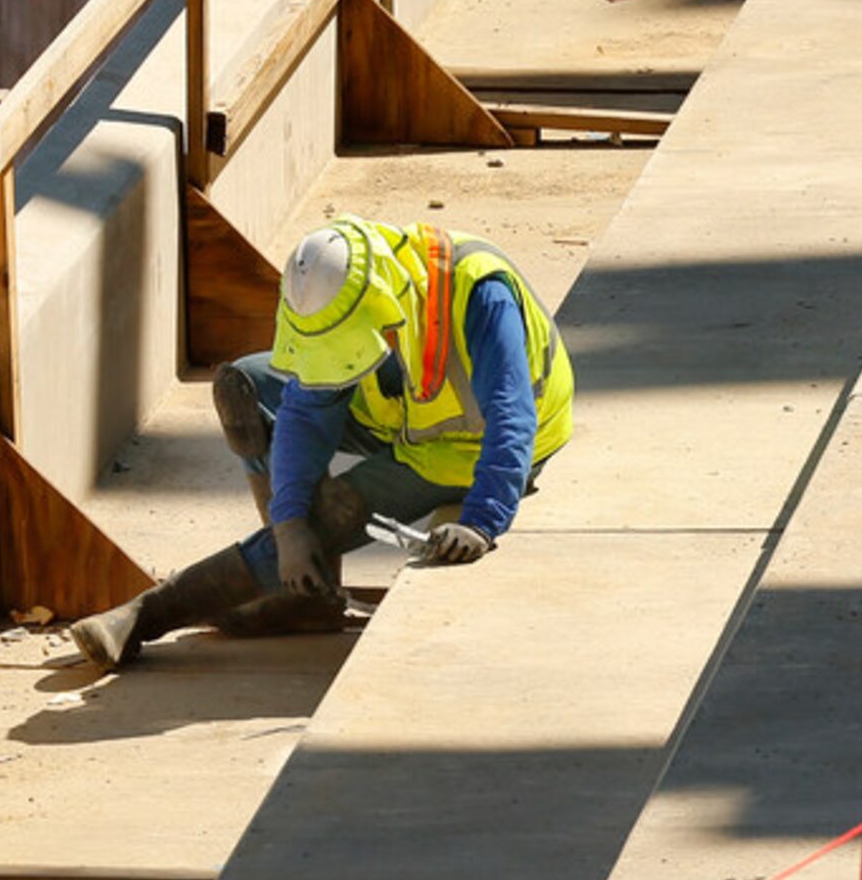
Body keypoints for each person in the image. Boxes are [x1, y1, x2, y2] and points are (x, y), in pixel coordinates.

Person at [68, 213, 573, 665]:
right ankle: (304, 592)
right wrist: (288, 526)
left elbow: (511, 416)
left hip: (472, 446)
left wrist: (482, 520)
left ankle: (148, 614)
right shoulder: (359, 294)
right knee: (247, 386)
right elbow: (305, 413)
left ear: (379, 310)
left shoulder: (479, 292)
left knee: (334, 511)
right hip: (401, 414)